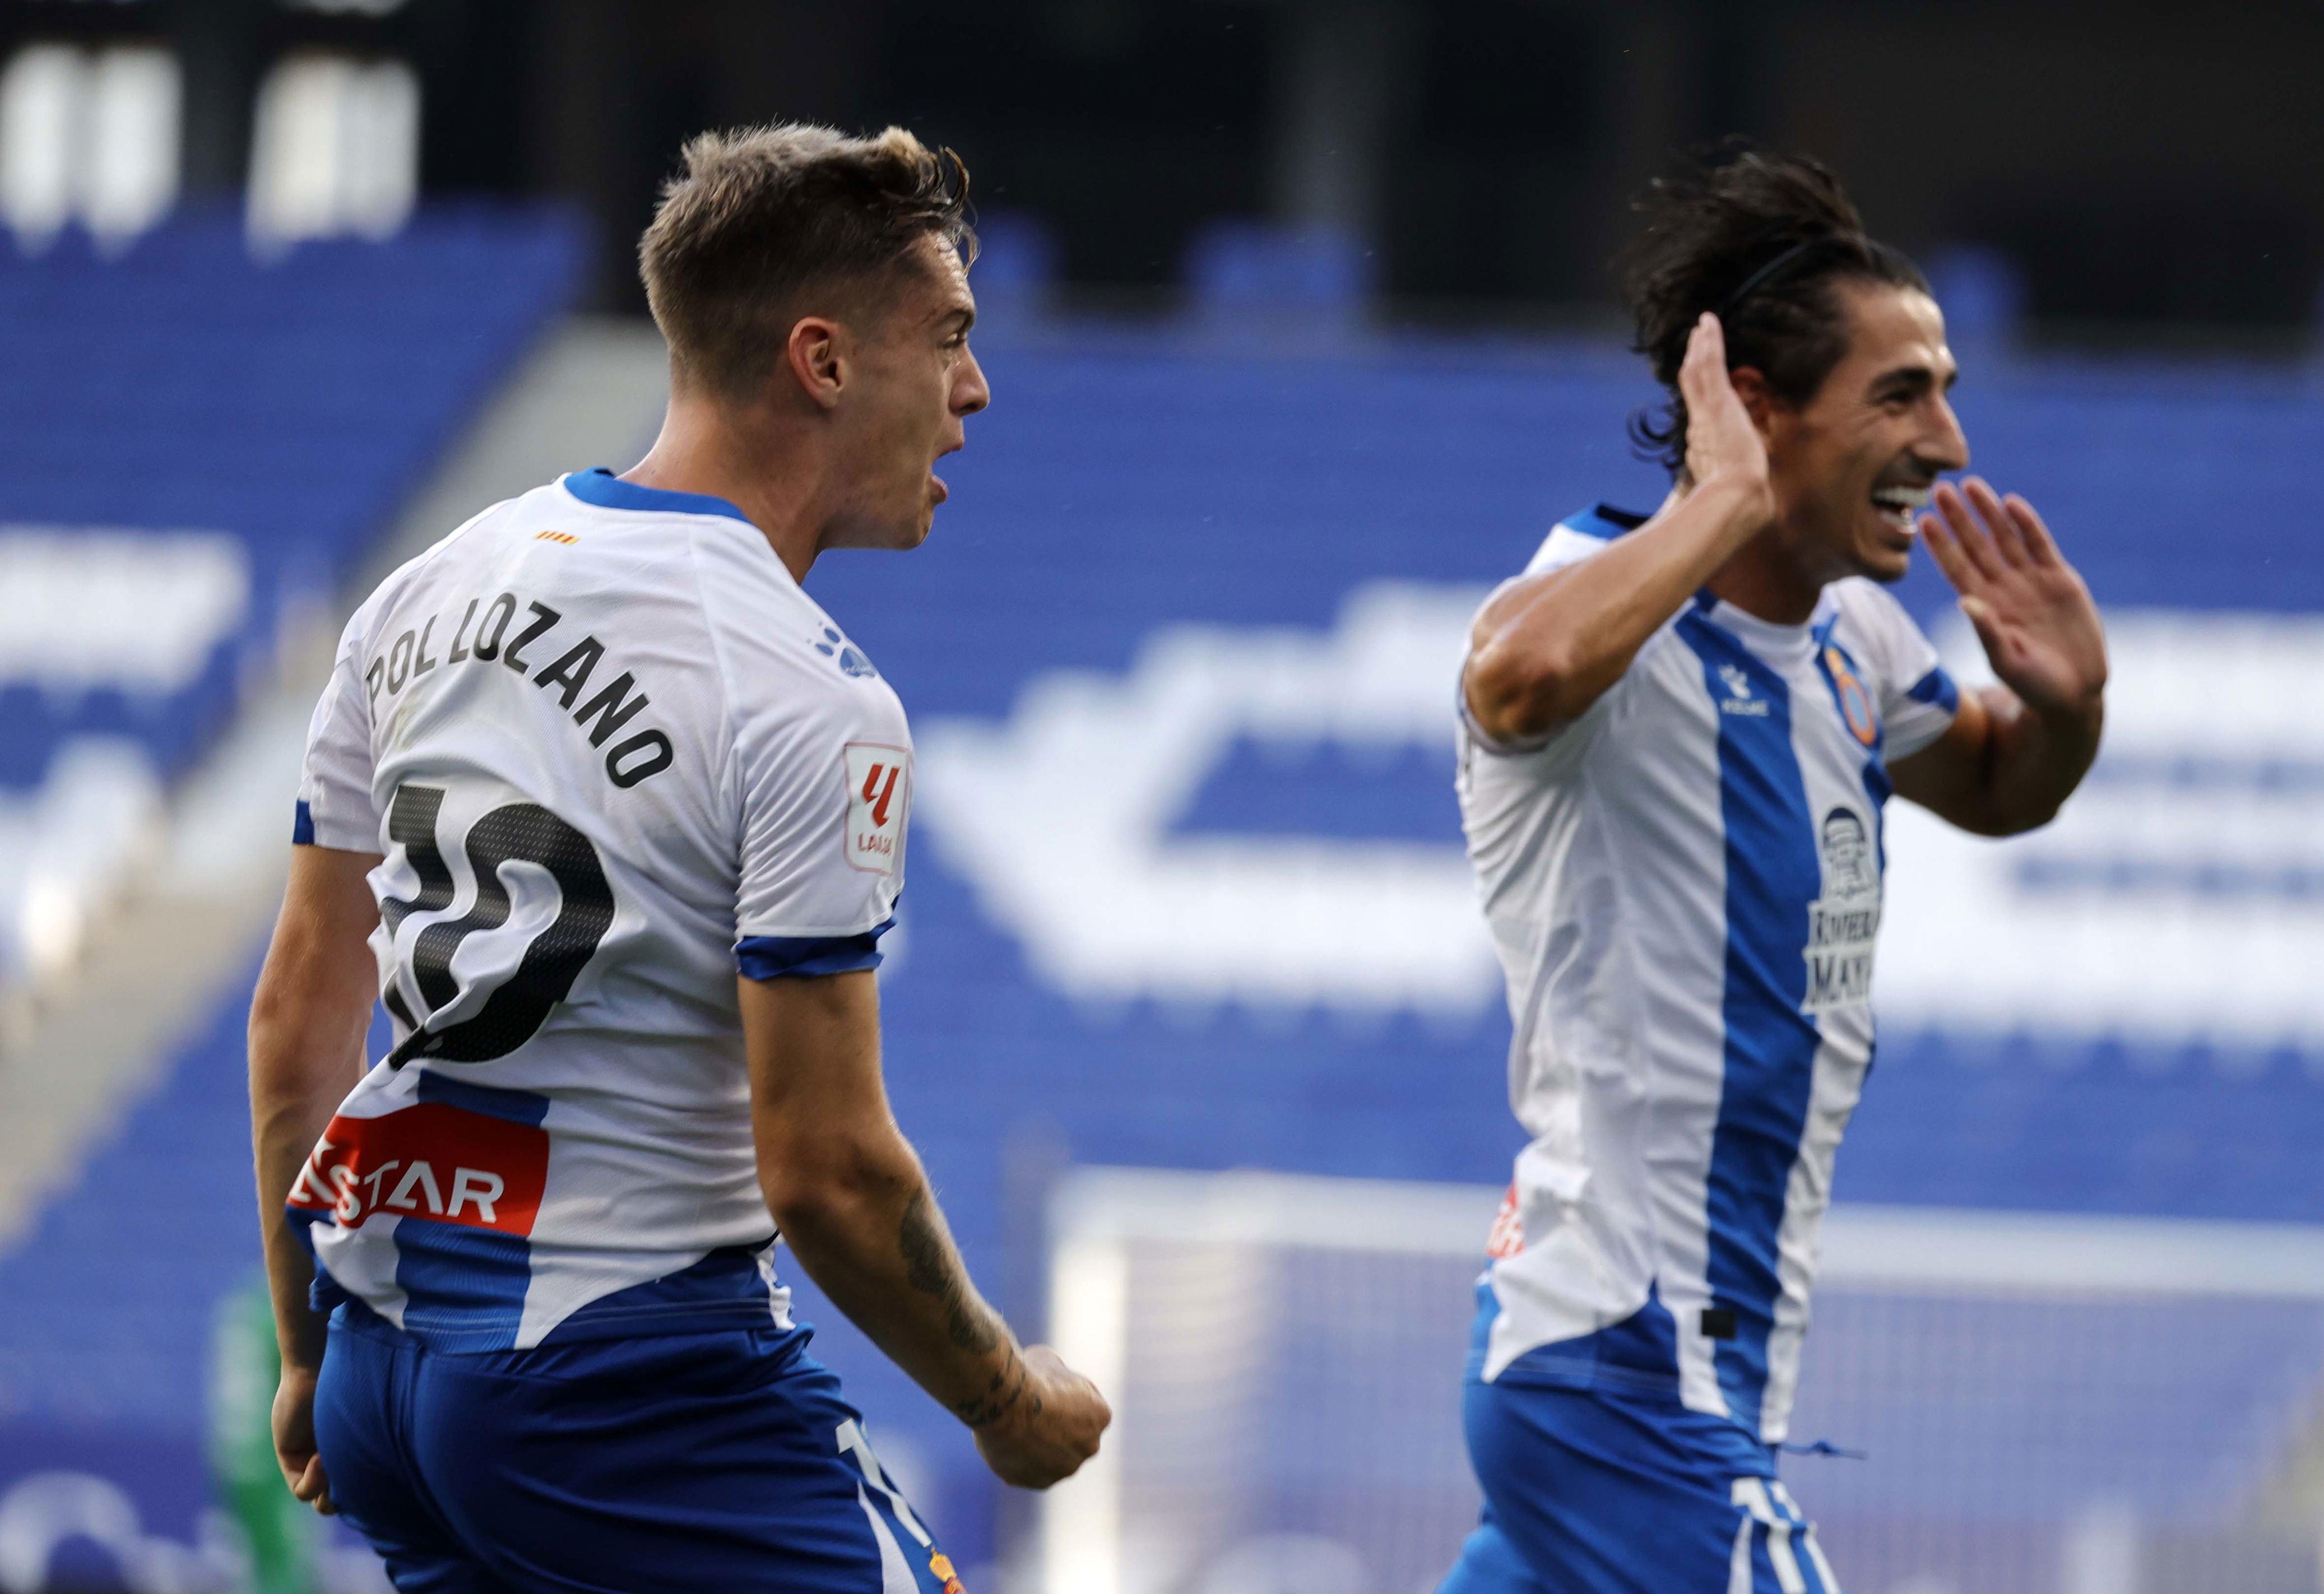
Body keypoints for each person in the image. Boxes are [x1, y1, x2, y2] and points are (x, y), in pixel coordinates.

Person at [247, 123, 1109, 1594]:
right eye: (950, 340)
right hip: (624, 1385)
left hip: (387, 1372)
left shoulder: (422, 592)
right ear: (824, 363)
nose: (974, 393)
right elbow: (828, 1172)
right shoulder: (806, 691)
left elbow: (297, 1023)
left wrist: (303, 1352)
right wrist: (1008, 1405)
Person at [1441, 148, 2107, 1594]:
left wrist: (2068, 711)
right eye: (1899, 394)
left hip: (1695, 1379)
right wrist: (1720, 505)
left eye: (1943, 388)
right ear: (1752, 409)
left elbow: (1999, 788)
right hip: (1618, 1370)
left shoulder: (1855, 641)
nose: (1946, 440)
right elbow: (1515, 678)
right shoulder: (1585, 605)